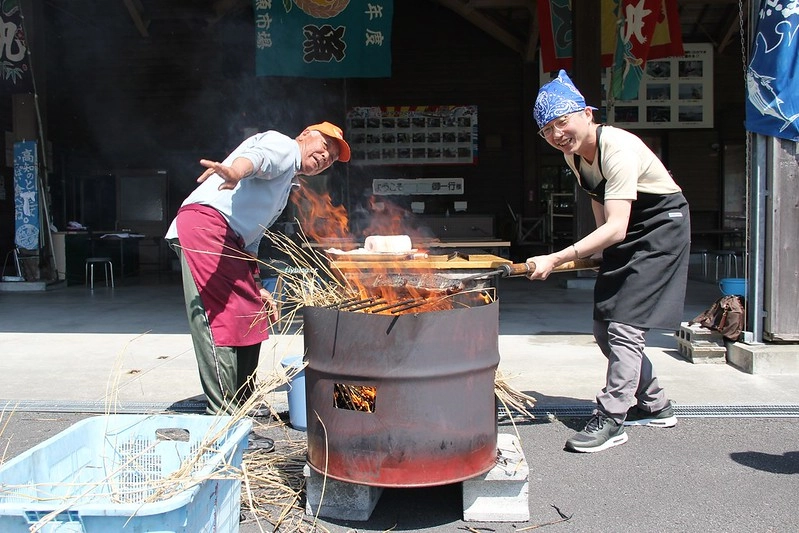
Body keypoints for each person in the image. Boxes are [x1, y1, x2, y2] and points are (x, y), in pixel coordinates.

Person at [528, 70, 689, 453]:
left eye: (561, 121)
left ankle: (613, 418)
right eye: (547, 129)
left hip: (660, 229)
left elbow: (618, 226)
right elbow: (598, 199)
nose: (556, 134)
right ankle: (655, 404)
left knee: (625, 327)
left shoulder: (616, 146)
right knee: (605, 327)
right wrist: (600, 252)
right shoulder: (573, 156)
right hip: (627, 228)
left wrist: (558, 256)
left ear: (586, 113)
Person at [165, 122, 351, 415]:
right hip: (207, 226)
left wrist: (258, 285)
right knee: (221, 318)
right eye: (325, 147)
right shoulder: (283, 146)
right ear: (305, 136)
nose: (325, 158)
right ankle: (224, 417)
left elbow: (251, 239)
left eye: (330, 159)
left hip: (232, 239)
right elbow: (258, 157)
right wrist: (235, 171)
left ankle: (242, 403)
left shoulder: (287, 182)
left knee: (252, 313)